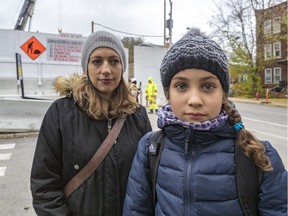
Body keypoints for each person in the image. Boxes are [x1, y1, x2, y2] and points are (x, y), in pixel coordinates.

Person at [123, 30, 287, 215]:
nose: (194, 99)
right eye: (182, 86)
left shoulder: (260, 156)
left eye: (208, 86)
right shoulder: (150, 149)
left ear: (223, 94)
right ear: (168, 93)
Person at [30, 31, 152, 216]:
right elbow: (44, 184)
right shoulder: (61, 114)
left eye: (114, 61)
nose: (106, 70)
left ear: (122, 67)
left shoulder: (138, 115)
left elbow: (148, 180)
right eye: (97, 61)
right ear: (86, 67)